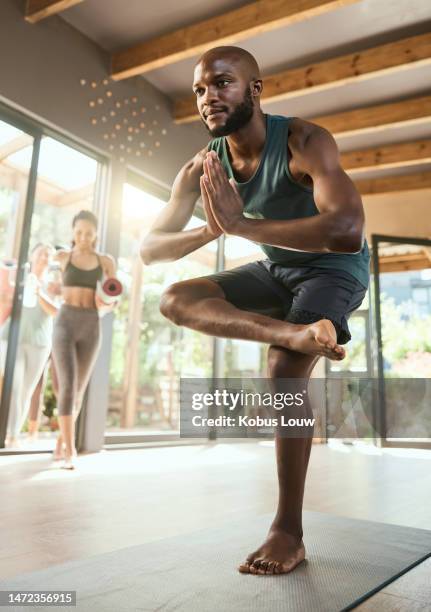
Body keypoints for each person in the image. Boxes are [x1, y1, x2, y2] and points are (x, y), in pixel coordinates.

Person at [141, 46, 370, 575]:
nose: (208, 98)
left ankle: (287, 531)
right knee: (175, 298)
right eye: (200, 89)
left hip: (335, 271)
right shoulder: (204, 164)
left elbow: (346, 231)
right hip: (278, 269)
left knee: (284, 372)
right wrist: (211, 228)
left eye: (222, 83)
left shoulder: (304, 141)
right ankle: (292, 333)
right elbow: (150, 249)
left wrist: (243, 228)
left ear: (255, 89)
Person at [52, 210, 117, 470]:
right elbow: (51, 280)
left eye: (88, 233)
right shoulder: (64, 257)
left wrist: (108, 302)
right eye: (78, 232)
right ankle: (70, 452)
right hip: (65, 323)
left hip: (91, 323)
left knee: (77, 391)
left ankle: (61, 439)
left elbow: (113, 296)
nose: (83, 237)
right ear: (72, 232)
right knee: (67, 386)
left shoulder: (105, 262)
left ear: (96, 234)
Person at [2, 244, 58, 448]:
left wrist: (39, 292)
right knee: (14, 386)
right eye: (41, 252)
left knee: (25, 390)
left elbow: (56, 311)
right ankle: (9, 433)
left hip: (39, 343)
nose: (44, 256)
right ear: (32, 254)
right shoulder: (19, 275)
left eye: (48, 254)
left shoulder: (54, 284)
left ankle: (13, 433)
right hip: (12, 337)